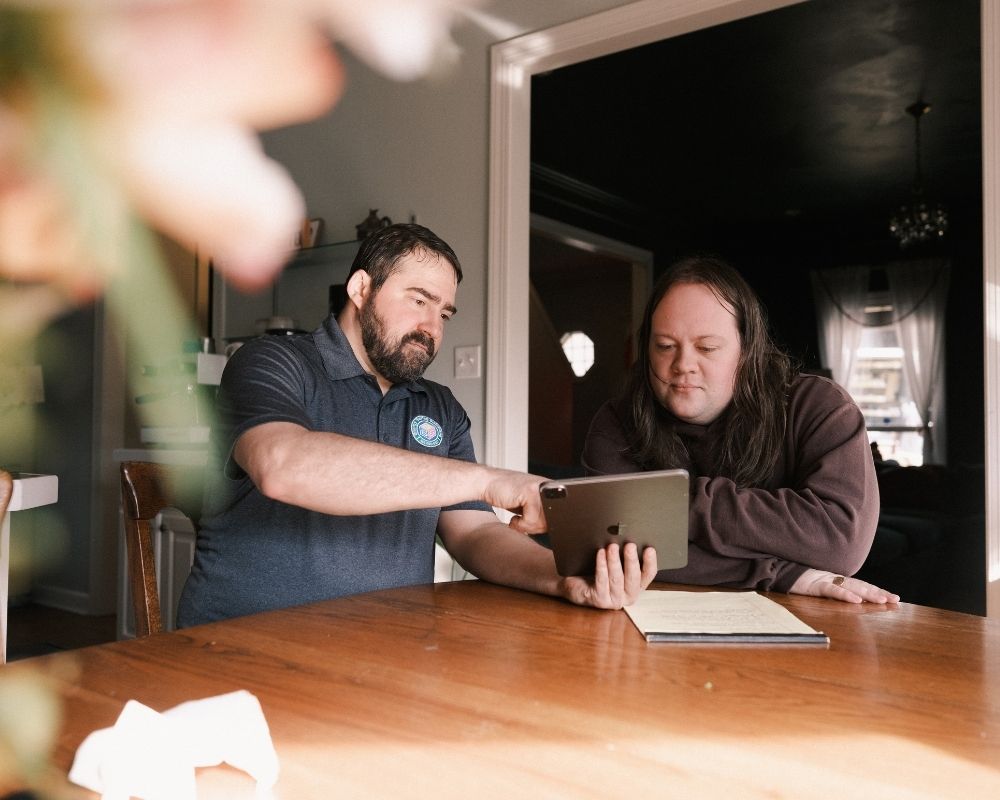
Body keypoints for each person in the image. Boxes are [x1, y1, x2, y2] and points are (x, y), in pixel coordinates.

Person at [177, 223, 657, 626]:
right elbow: (282, 465)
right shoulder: (271, 362)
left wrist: (563, 578)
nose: (433, 328)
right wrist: (489, 480)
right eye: (419, 301)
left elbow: (474, 533)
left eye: (444, 312)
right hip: (242, 650)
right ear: (361, 289)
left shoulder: (440, 407)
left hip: (384, 652)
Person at [582, 254, 898, 604]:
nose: (683, 364)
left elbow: (840, 542)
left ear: (748, 349)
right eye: (665, 346)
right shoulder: (616, 422)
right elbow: (608, 553)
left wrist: (670, 506)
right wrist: (780, 572)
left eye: (707, 347)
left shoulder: (821, 407)